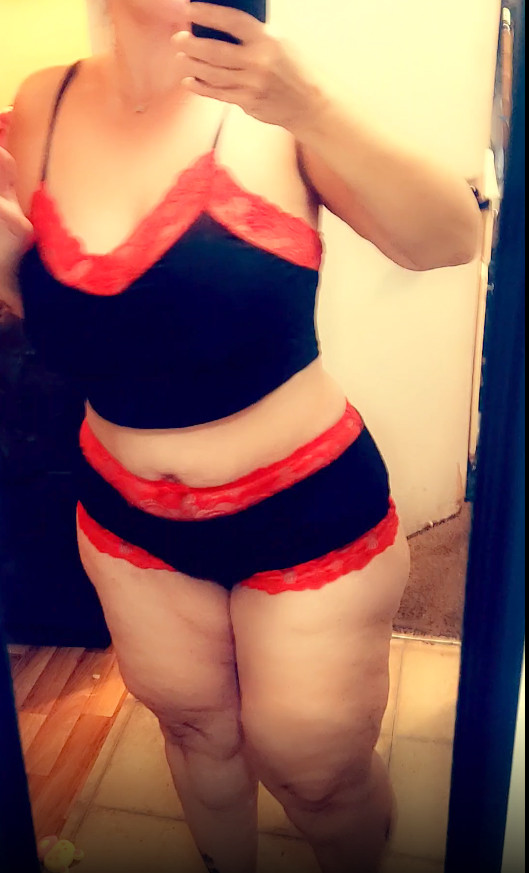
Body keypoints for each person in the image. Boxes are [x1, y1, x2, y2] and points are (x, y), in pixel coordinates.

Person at [0, 2, 480, 871]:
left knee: (317, 775)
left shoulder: (274, 101)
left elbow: (450, 241)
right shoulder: (41, 104)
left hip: (307, 515)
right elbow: (82, 329)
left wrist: (313, 109)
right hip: (127, 522)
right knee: (194, 734)